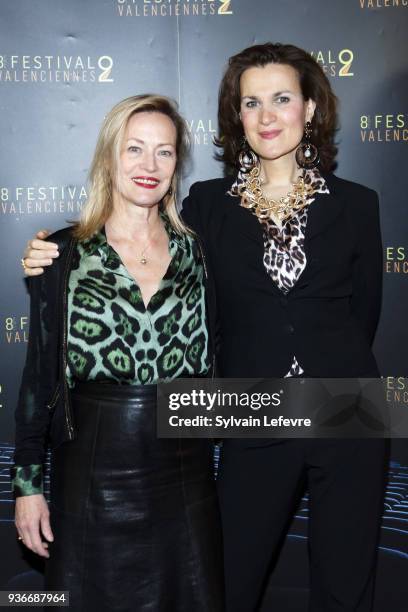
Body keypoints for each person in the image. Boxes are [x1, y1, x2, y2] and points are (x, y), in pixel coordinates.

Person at [22, 43, 389, 612]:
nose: (267, 117)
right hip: (249, 410)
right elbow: (138, 240)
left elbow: (365, 313)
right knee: (227, 584)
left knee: (347, 586)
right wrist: (52, 251)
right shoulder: (207, 204)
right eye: (251, 103)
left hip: (349, 411)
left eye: (282, 99)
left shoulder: (359, 205)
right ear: (236, 117)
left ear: (311, 109)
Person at [13, 94, 224, 612]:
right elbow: (38, 379)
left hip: (185, 470)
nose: (149, 166)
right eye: (135, 149)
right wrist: (26, 487)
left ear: (177, 165)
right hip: (93, 472)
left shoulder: (199, 250)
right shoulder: (63, 253)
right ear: (109, 157)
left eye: (164, 152)